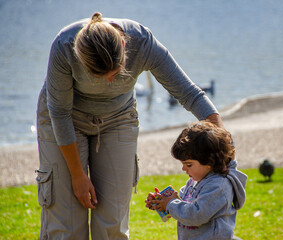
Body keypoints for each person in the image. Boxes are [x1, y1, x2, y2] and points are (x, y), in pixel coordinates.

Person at [35, 12, 224, 239]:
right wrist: (77, 175)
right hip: (64, 119)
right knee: (66, 224)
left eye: (115, 73)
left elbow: (190, 94)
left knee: (112, 221)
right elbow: (60, 112)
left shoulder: (143, 43)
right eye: (99, 75)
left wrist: (223, 145)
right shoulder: (64, 46)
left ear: (124, 45)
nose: (110, 82)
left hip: (119, 118)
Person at [145, 121, 247, 240]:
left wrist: (170, 204)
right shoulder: (196, 181)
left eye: (188, 164)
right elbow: (184, 207)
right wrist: (162, 201)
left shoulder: (219, 186)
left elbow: (196, 215)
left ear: (209, 161)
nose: (183, 169)